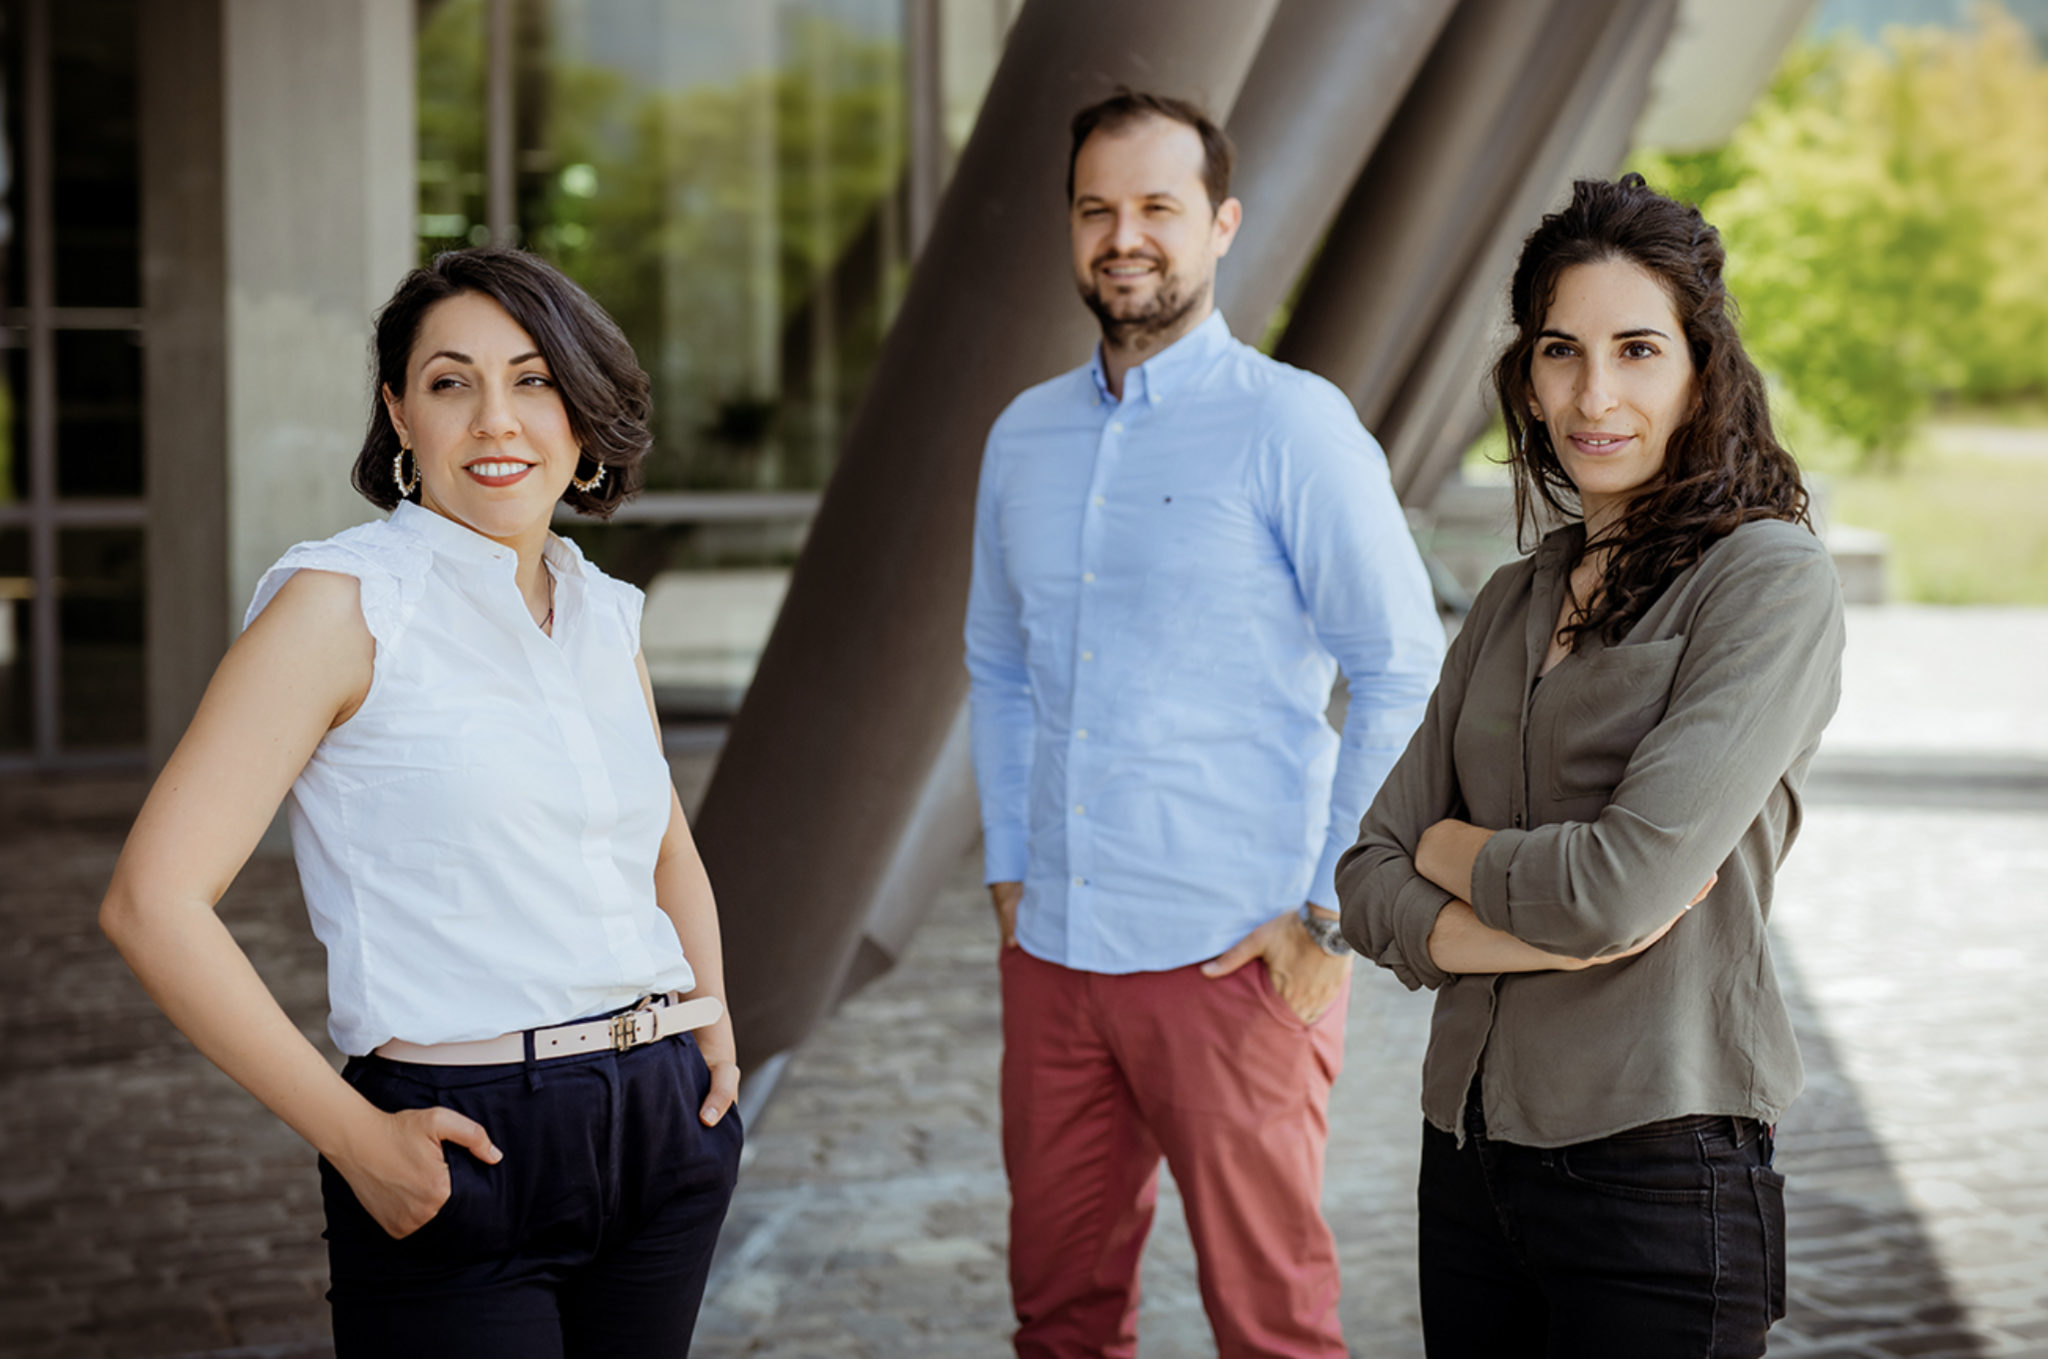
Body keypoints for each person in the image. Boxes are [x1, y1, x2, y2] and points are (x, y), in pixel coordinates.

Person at [99, 247, 742, 1358]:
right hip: (463, 1148)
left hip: (664, 1135)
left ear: (584, 412)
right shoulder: (341, 606)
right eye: (452, 382)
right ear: (400, 414)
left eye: (534, 378)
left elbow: (662, 845)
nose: (497, 418)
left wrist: (711, 1030)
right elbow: (151, 903)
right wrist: (353, 1138)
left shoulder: (602, 610)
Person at [966, 90, 1444, 1358]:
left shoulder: (1292, 424)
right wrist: (1010, 866)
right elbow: (997, 665)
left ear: (1221, 224)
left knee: (1269, 1326)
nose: (1125, 235)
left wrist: (1330, 918)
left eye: (1158, 208)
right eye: (1097, 209)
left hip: (1235, 958)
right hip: (1057, 959)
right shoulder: (1021, 438)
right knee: (1056, 1319)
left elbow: (1400, 668)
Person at [1338, 173, 1844, 1357]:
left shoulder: (1764, 584)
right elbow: (1363, 871)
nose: (1592, 394)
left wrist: (1450, 851)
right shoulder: (1512, 599)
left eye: (1634, 349)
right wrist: (1521, 921)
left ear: (1700, 371)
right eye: (1559, 351)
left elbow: (1616, 883)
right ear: (1524, 374)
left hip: (1656, 1174)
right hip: (1463, 1163)